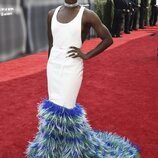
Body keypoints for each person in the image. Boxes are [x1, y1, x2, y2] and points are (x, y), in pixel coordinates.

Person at [26, 0, 140, 157]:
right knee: (53, 107)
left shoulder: (87, 15)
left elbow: (108, 39)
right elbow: (51, 44)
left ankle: (72, 149)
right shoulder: (51, 14)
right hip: (53, 67)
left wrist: (86, 55)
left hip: (72, 67)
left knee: (66, 107)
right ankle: (52, 148)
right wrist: (49, 65)